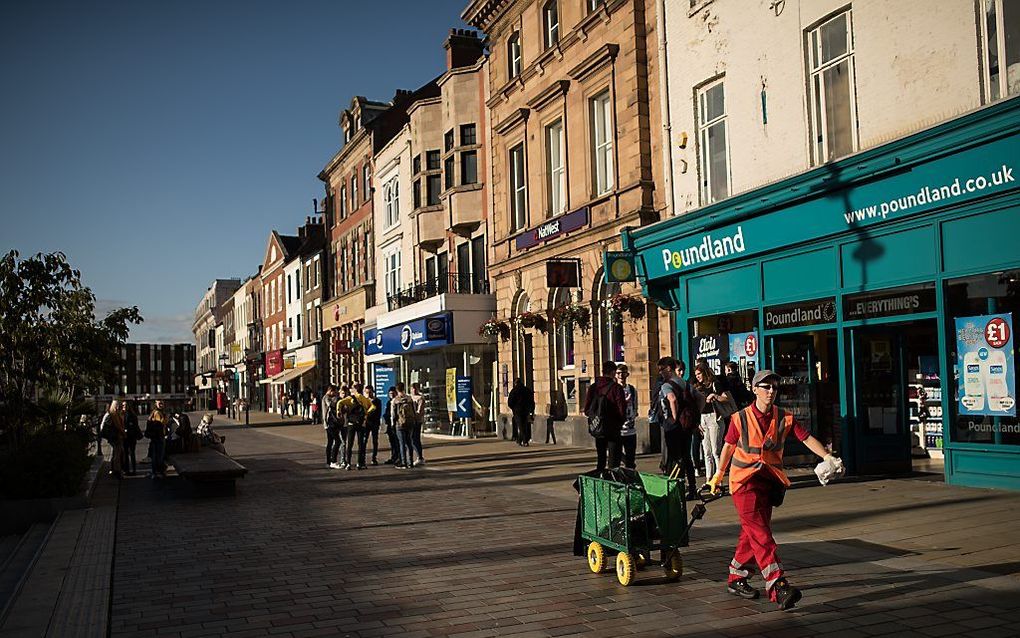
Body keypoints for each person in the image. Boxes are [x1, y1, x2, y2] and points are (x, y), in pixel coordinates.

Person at [708, 370, 840, 610]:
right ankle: (777, 585)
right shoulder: (740, 418)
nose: (771, 391)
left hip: (768, 483)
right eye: (766, 387)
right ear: (754, 389)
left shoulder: (784, 417)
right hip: (744, 483)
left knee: (753, 532)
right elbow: (727, 447)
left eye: (774, 388)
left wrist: (828, 457)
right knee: (761, 535)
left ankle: (736, 575)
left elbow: (806, 438)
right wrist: (717, 476)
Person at [653, 357, 698, 499]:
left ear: (668, 369)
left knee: (674, 458)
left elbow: (671, 399)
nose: (660, 373)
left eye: (661, 370)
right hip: (687, 426)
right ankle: (692, 489)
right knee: (686, 457)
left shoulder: (666, 385)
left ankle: (675, 490)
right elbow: (701, 398)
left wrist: (674, 417)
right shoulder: (685, 383)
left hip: (674, 427)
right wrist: (694, 417)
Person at [692, 363, 735, 483]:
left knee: (716, 450)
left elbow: (726, 398)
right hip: (702, 418)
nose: (698, 377)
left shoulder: (715, 384)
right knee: (707, 451)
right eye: (696, 375)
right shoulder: (697, 387)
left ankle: (718, 479)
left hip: (714, 417)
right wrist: (697, 421)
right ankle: (708, 479)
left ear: (705, 372)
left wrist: (714, 395)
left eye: (699, 374)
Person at [583, 361, 628, 471]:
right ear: (613, 372)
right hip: (613, 428)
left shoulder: (594, 387)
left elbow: (587, 409)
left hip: (599, 427)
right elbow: (622, 408)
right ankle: (612, 483)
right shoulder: (616, 388)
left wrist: (596, 417)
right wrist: (620, 421)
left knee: (601, 458)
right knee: (614, 461)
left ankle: (600, 480)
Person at [342, 384, 375, 470]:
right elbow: (373, 407)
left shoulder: (350, 398)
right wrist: (367, 413)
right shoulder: (364, 399)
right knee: (361, 444)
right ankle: (359, 463)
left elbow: (340, 403)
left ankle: (348, 463)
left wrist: (339, 412)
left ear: (355, 390)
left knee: (350, 443)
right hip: (361, 423)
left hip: (351, 423)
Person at [615, 364, 639, 469]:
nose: (621, 376)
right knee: (616, 456)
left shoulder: (632, 389)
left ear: (627, 374)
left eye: (623, 373)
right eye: (618, 373)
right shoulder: (614, 390)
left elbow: (635, 405)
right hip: (618, 430)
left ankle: (630, 478)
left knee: (631, 459)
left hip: (630, 429)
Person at [391, 383, 416, 469]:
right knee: (409, 442)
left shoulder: (395, 400)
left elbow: (393, 414)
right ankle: (411, 462)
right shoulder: (409, 398)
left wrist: (393, 424)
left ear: (397, 390)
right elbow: (414, 410)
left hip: (400, 423)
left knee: (402, 443)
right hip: (410, 422)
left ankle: (403, 462)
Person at [100, 400, 126, 478]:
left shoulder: (113, 414)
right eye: (118, 406)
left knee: (117, 453)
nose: (119, 407)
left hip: (115, 437)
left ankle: (115, 469)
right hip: (116, 437)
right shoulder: (113, 414)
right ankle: (117, 470)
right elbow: (118, 426)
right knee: (118, 454)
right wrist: (124, 433)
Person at [506, 379, 535, 447]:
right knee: (524, 425)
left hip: (517, 411)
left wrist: (514, 408)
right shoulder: (527, 390)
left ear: (515, 383)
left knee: (520, 426)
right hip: (526, 410)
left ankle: (524, 440)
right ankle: (519, 440)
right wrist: (531, 410)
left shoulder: (514, 391)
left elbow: (510, 402)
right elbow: (532, 400)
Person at [146, 400, 170, 478]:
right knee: (159, 455)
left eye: (162, 403)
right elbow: (163, 423)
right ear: (156, 404)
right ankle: (159, 471)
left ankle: (155, 471)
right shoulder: (158, 413)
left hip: (155, 436)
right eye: (159, 403)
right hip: (159, 436)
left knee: (155, 455)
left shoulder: (154, 412)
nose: (161, 405)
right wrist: (166, 417)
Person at [323, 385, 344, 469]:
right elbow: (331, 405)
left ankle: (329, 461)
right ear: (331, 391)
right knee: (337, 441)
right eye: (335, 392)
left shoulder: (328, 397)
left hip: (330, 423)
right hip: (329, 423)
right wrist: (337, 398)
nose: (335, 393)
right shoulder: (326, 397)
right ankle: (332, 461)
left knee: (330, 442)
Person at [383, 387, 402, 466]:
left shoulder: (397, 402)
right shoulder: (388, 402)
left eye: (393, 393)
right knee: (392, 442)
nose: (391, 395)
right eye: (390, 393)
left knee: (397, 442)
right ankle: (393, 456)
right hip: (390, 425)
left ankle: (399, 457)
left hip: (396, 424)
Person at [409, 383, 426, 466]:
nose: (414, 390)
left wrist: (414, 415)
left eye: (415, 388)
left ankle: (420, 457)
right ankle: (413, 457)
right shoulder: (409, 397)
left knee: (415, 439)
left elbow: (420, 411)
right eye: (412, 389)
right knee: (411, 439)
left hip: (417, 421)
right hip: (410, 421)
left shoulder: (420, 398)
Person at [123, 401, 142, 476]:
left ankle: (131, 469)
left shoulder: (131, 415)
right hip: (127, 436)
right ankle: (128, 469)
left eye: (125, 405)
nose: (124, 407)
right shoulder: (123, 414)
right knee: (127, 454)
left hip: (130, 436)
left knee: (130, 453)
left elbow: (134, 425)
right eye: (123, 405)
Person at [365, 386, 382, 465]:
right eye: (367, 392)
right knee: (364, 440)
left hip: (374, 423)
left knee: (375, 441)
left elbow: (378, 413)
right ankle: (362, 458)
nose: (368, 394)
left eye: (370, 392)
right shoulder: (364, 401)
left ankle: (374, 458)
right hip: (366, 423)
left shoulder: (377, 401)